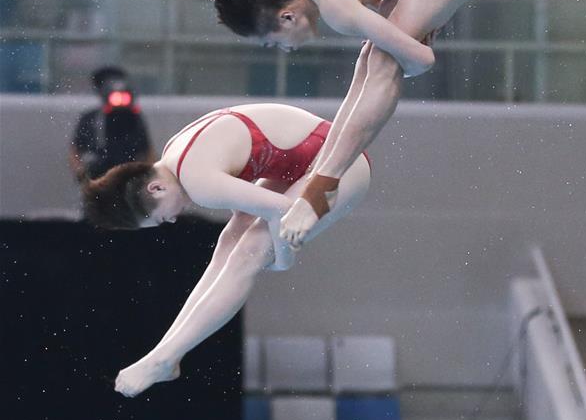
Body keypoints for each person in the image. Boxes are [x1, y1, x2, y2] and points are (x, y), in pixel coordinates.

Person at [213, 0, 507, 246]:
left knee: (382, 61)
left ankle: (323, 185)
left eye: (273, 42)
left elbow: (422, 60)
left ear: (288, 18)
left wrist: (412, 44)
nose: (283, 51)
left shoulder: (335, 5)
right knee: (372, 55)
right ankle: (319, 171)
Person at [82, 102, 370, 397]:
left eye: (159, 218)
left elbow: (289, 213)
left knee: (250, 251)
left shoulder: (200, 184)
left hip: (342, 165)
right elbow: (250, 212)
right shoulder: (175, 152)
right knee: (230, 241)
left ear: (155, 189)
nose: (170, 220)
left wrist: (283, 258)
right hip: (308, 155)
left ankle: (164, 358)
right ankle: (166, 353)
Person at [69, 66, 155, 182]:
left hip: (129, 177)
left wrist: (150, 174)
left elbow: (147, 149)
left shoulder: (135, 118)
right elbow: (75, 149)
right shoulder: (92, 119)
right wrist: (81, 172)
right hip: (99, 176)